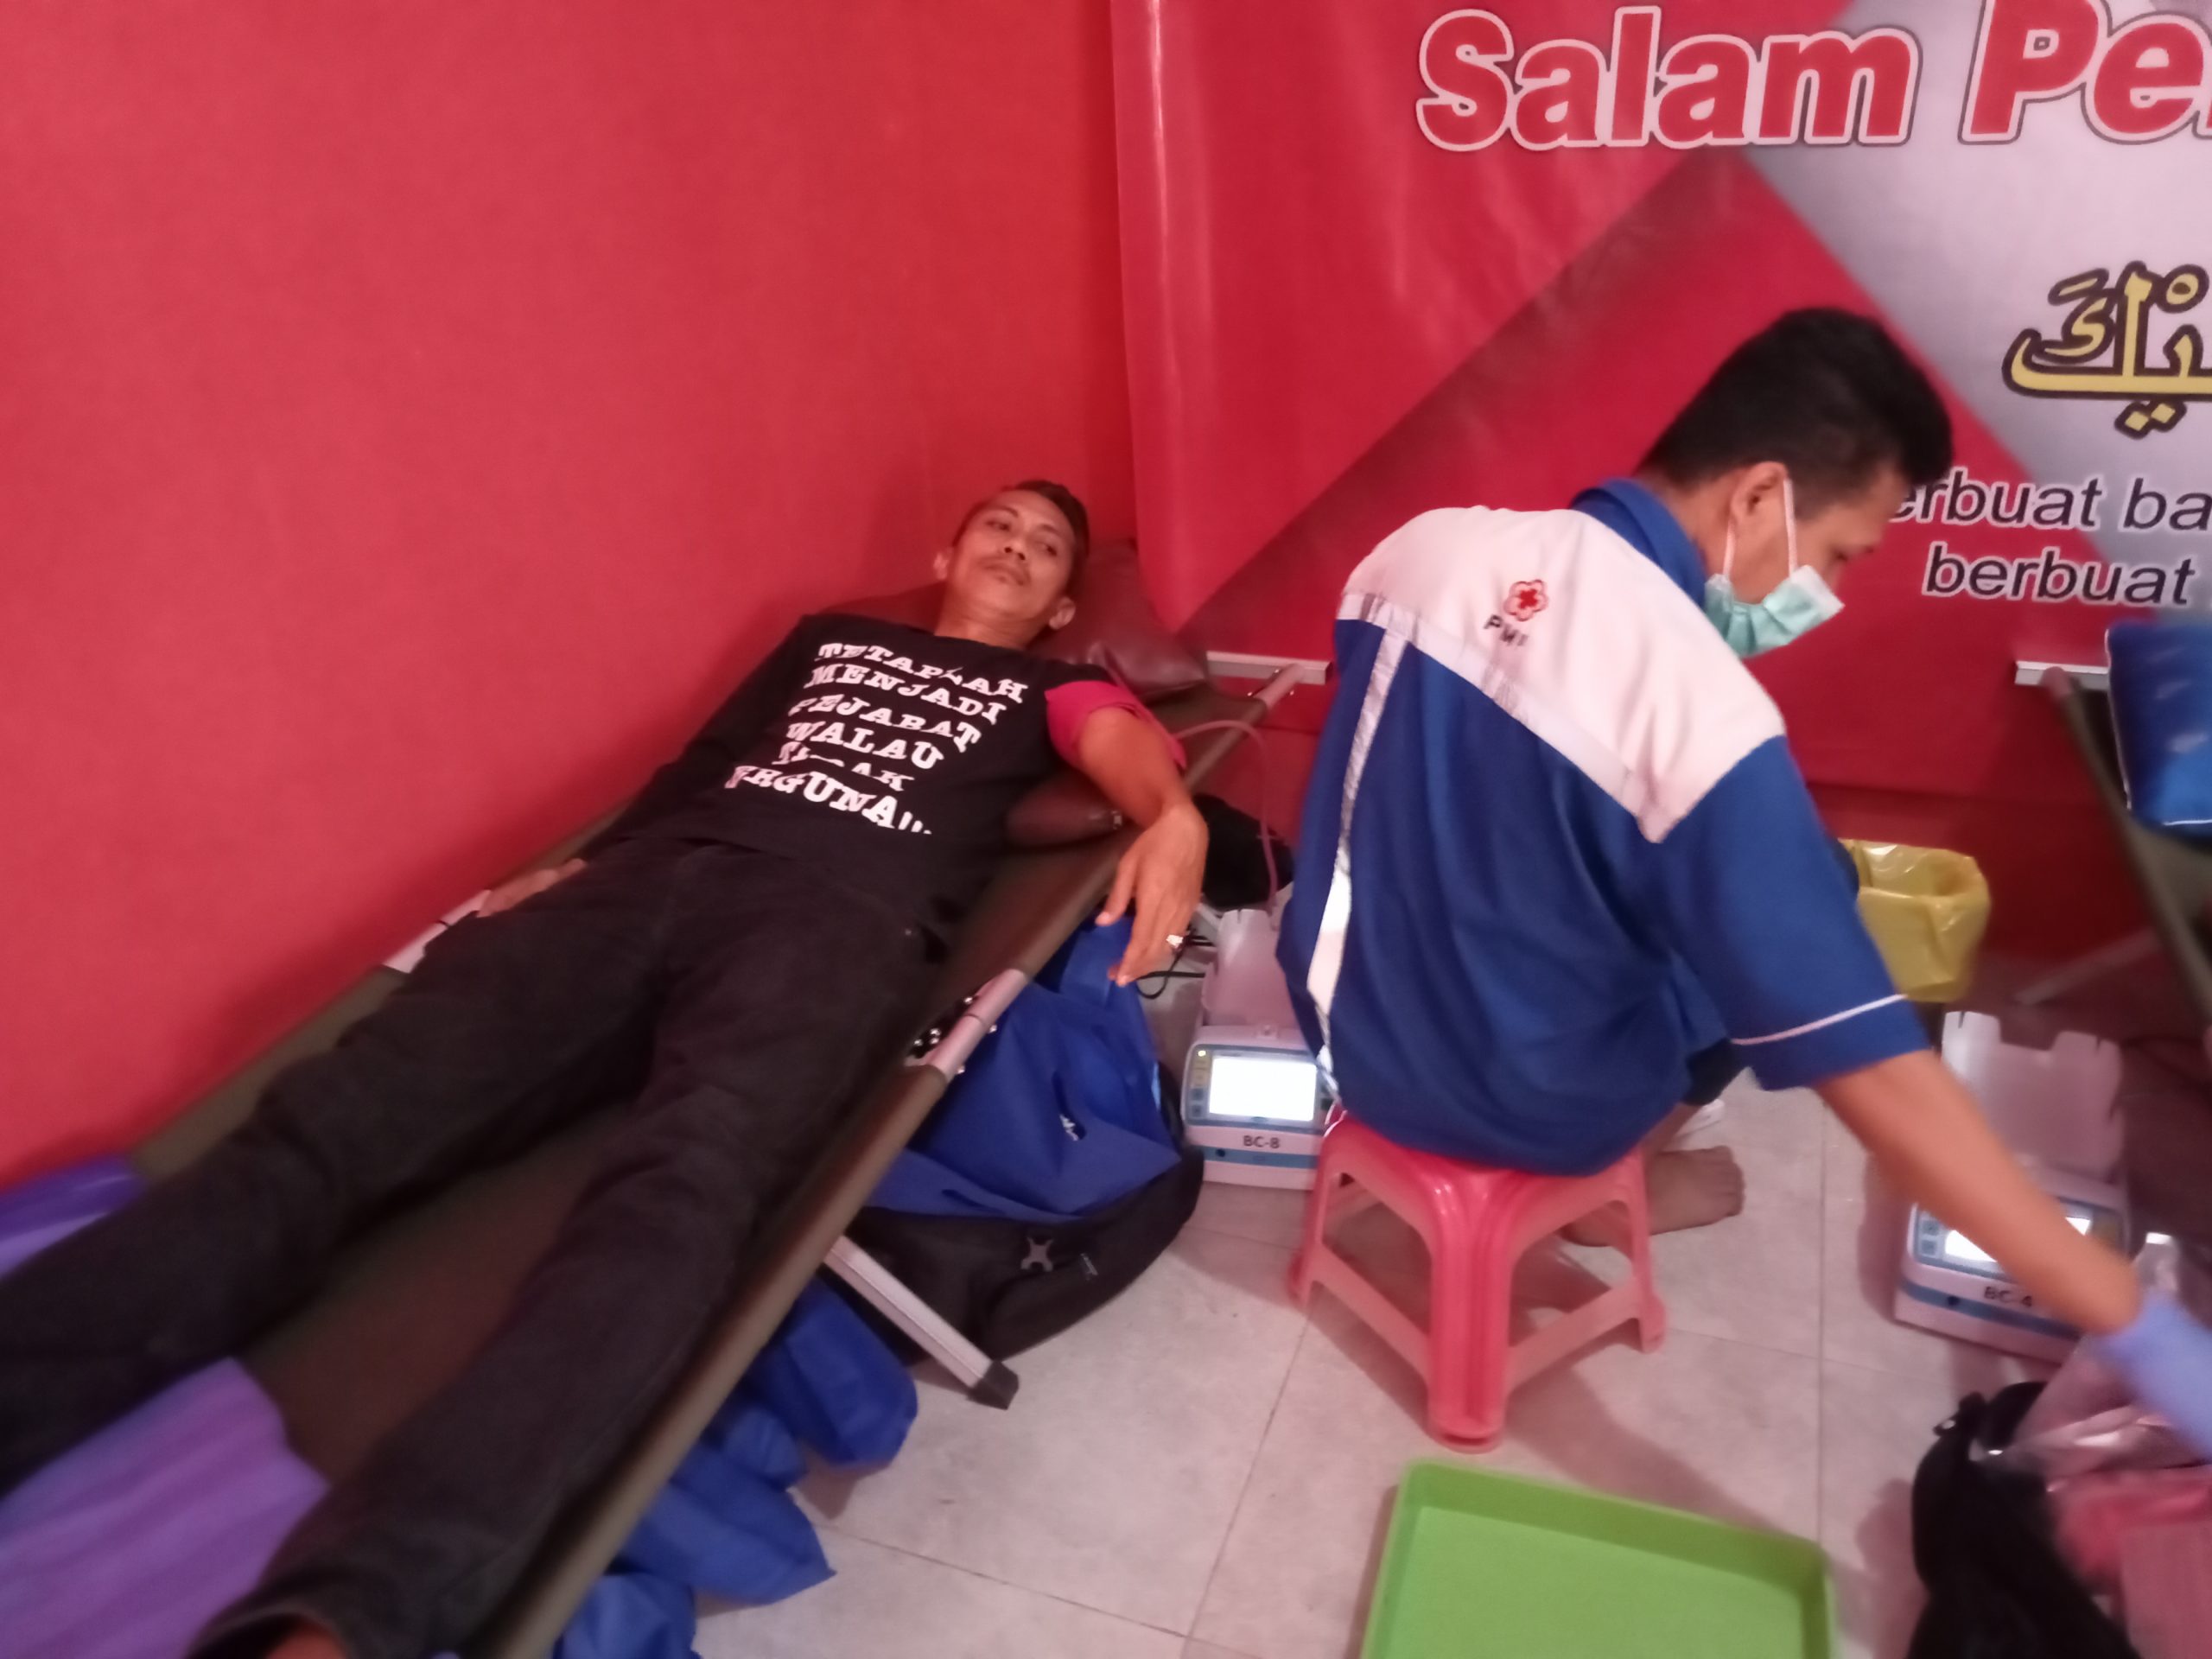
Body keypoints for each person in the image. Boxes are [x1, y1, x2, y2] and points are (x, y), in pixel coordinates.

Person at [0, 481, 1208, 1659]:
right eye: (997, 524)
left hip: (837, 923)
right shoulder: (830, 637)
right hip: (647, 884)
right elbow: (708, 760)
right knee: (336, 1119)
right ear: (944, 557)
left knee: (680, 1198)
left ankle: (355, 1618)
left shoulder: (1047, 686)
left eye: (1046, 546)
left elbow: (1118, 747)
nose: (1015, 545)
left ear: (1060, 607)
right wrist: (589, 868)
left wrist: (1178, 818)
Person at [1278, 311, 2212, 1454]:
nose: (1828, 591)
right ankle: (1621, 1176)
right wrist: (2137, 1326)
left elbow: (1425, 772)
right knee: (1809, 892)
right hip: (1525, 1110)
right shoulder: (1700, 715)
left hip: (1339, 1030)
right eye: (1842, 555)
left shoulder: (1422, 550)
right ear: (1761, 495)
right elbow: (1887, 1089)